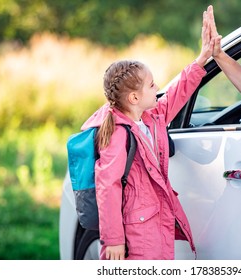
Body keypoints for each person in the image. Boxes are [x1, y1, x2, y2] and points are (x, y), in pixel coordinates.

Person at [80, 6, 214, 260]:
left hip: (155, 224)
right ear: (134, 97)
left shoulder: (151, 117)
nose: (158, 88)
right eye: (152, 85)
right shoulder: (119, 133)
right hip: (136, 235)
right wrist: (114, 240)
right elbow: (107, 186)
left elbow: (177, 92)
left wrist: (202, 58)